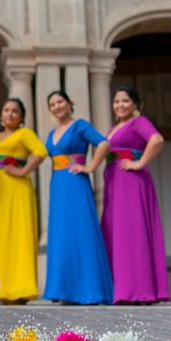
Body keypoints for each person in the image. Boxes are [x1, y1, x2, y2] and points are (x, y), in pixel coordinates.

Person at [42, 90, 113, 305]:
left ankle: (87, 290)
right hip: (58, 184)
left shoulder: (80, 125)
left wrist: (90, 167)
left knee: (81, 231)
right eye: (52, 104)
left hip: (75, 182)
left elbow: (104, 143)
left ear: (69, 103)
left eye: (59, 102)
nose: (56, 106)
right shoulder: (52, 132)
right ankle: (65, 291)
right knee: (62, 234)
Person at [102, 85, 169, 303]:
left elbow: (157, 140)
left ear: (135, 104)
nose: (120, 105)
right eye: (116, 101)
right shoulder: (114, 127)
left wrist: (140, 163)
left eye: (125, 101)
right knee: (117, 233)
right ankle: (121, 289)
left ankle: (137, 290)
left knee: (132, 232)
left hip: (131, 181)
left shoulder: (138, 122)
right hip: (115, 181)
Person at [0, 98, 47, 303]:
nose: (10, 114)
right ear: (1, 114)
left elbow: (41, 152)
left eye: (15, 111)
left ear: (21, 117)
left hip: (17, 189)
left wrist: (23, 170)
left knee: (18, 233)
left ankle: (19, 288)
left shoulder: (24, 134)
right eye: (6, 110)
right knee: (0, 235)